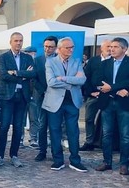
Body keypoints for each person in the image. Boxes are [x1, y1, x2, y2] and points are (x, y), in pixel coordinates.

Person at [42, 37, 87, 172]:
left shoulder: (76, 61)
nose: (71, 50)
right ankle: (58, 160)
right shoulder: (50, 62)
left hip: (72, 102)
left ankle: (75, 160)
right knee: (55, 131)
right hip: (54, 102)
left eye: (72, 47)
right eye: (68, 48)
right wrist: (72, 82)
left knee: (73, 131)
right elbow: (51, 82)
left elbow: (82, 80)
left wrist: (63, 78)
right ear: (59, 49)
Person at [0, 32, 35, 168]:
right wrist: (23, 75)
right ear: (11, 42)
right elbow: (3, 75)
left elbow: (32, 73)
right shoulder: (4, 57)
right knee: (4, 126)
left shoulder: (27, 57)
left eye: (21, 41)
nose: (18, 43)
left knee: (18, 127)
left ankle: (14, 155)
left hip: (22, 96)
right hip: (8, 96)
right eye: (16, 40)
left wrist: (16, 73)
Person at [94, 38, 129, 175]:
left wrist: (114, 88)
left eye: (115, 47)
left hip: (124, 103)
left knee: (125, 135)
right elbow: (96, 79)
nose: (111, 49)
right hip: (107, 102)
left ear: (124, 49)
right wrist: (115, 89)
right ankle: (106, 162)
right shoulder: (105, 63)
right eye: (111, 46)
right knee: (106, 134)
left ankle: (124, 164)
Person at [80, 40, 111, 151]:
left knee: (106, 120)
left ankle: (104, 143)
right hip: (93, 94)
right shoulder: (93, 61)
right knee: (89, 119)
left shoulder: (114, 61)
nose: (110, 48)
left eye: (111, 46)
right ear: (101, 48)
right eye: (108, 46)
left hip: (108, 95)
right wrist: (91, 92)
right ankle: (89, 142)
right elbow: (85, 77)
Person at [33, 36, 58, 161]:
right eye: (46, 46)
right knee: (42, 124)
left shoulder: (60, 60)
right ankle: (42, 150)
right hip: (42, 95)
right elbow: (34, 78)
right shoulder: (38, 60)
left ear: (56, 47)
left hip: (57, 96)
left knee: (55, 125)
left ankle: (56, 151)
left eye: (51, 47)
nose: (48, 49)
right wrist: (43, 90)